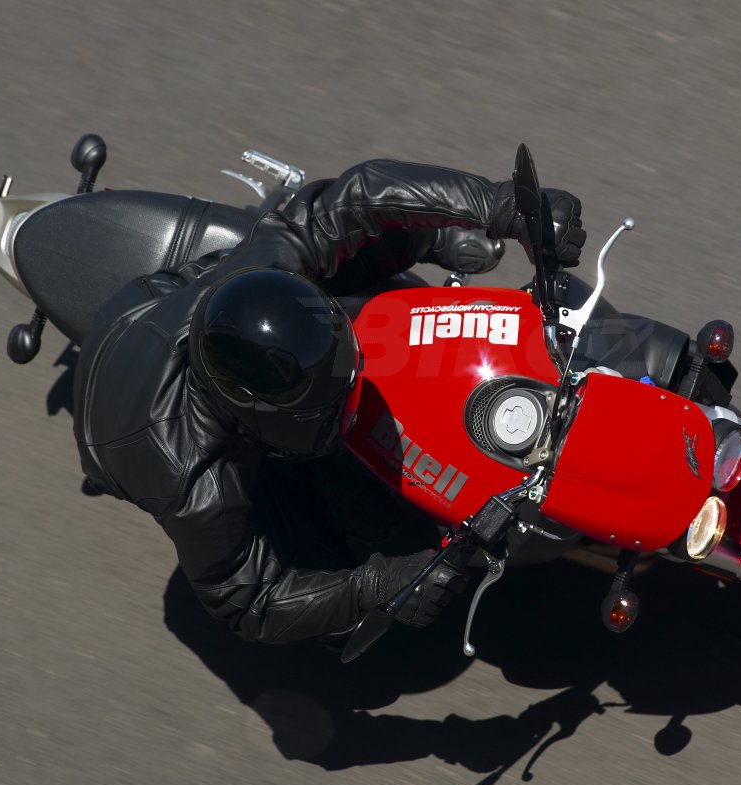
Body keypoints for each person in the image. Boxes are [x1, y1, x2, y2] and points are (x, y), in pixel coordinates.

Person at [72, 159, 586, 644]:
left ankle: (429, 234)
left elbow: (357, 195)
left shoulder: (267, 267)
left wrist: (502, 206)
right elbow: (247, 602)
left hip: (153, 301)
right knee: (346, 548)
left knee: (339, 248)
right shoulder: (196, 484)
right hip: (120, 427)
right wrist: (374, 587)